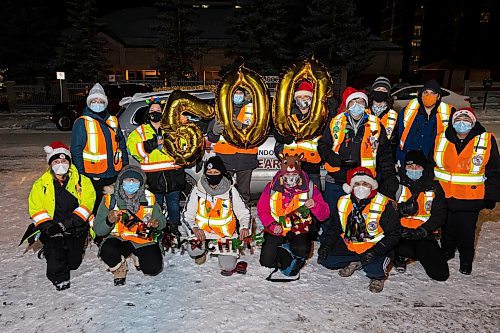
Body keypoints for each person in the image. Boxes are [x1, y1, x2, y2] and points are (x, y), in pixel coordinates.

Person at [317, 87, 398, 229]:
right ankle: (329, 244)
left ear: (366, 105)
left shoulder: (376, 124)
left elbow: (385, 153)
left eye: (360, 101)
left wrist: (389, 175)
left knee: (357, 217)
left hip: (363, 181)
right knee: (333, 214)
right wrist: (329, 157)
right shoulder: (335, 121)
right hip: (337, 177)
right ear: (347, 105)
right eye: (353, 102)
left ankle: (354, 244)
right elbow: (323, 144)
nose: (357, 105)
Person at [433, 108, 499, 275]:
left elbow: (494, 170)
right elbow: (431, 164)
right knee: (447, 228)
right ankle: (447, 251)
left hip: (471, 197)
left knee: (466, 231)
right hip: (445, 195)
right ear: (452, 122)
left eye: (466, 119)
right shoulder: (442, 138)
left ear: (473, 122)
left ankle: (466, 261)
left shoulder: (485, 140)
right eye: (458, 119)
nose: (462, 123)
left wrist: (491, 196)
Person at [317, 167, 401, 292]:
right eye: (357, 183)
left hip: (375, 247)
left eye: (365, 183)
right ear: (350, 186)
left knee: (374, 270)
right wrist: (326, 245)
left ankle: (378, 276)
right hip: (351, 243)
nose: (361, 187)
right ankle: (357, 260)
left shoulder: (384, 204)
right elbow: (335, 227)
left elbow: (394, 235)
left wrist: (374, 252)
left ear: (372, 185)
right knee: (326, 259)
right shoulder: (343, 201)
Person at [28, 142, 96, 290]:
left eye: (64, 161)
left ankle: (69, 248)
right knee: (56, 252)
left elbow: (86, 206)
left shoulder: (82, 182)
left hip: (75, 226)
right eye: (56, 161)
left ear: (69, 163)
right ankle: (59, 278)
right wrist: (50, 227)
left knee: (73, 264)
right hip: (52, 228)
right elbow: (36, 209)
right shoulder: (41, 184)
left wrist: (68, 224)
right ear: (50, 164)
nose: (60, 164)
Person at [257, 153, 329, 280]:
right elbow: (262, 210)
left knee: (301, 249)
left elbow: (324, 216)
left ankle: (294, 251)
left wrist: (315, 205)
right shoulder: (272, 187)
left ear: (299, 174)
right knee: (267, 262)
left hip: (298, 228)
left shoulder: (310, 188)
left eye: (294, 175)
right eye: (287, 175)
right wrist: (272, 225)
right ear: (282, 174)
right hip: (277, 228)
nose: (291, 179)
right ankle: (282, 248)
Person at [93, 165, 167, 285]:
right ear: (121, 182)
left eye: (135, 180)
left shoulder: (149, 197)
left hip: (142, 238)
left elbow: (162, 221)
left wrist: (157, 223)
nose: (131, 183)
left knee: (153, 268)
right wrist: (108, 221)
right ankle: (119, 267)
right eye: (128, 180)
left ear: (141, 184)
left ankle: (136, 254)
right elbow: (98, 230)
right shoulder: (110, 199)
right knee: (107, 250)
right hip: (119, 239)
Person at [181, 156, 251, 275]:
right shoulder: (198, 189)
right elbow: (187, 215)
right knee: (194, 250)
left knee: (228, 267)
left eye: (216, 172)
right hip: (202, 232)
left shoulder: (230, 190)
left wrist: (244, 227)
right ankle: (202, 250)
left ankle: (222, 253)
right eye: (209, 172)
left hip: (225, 234)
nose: (212, 175)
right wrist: (194, 229)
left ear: (222, 173)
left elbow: (244, 212)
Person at [126, 98, 185, 235]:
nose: (155, 113)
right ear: (148, 113)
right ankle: (159, 227)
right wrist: (154, 143)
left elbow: (183, 146)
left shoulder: (173, 127)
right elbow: (136, 151)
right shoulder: (140, 131)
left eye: (158, 111)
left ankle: (174, 227)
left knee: (174, 204)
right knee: (155, 205)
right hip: (153, 176)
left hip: (173, 172)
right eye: (152, 111)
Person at [71, 83, 129, 216]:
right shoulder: (82, 122)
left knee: (113, 205)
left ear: (105, 103)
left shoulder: (113, 120)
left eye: (100, 101)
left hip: (114, 172)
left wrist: (125, 165)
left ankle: (110, 232)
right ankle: (96, 233)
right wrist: (81, 174)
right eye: (94, 101)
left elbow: (122, 145)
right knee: (95, 206)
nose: (97, 103)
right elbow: (76, 150)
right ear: (89, 103)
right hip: (93, 175)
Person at [393, 150, 449, 281]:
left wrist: (422, 231)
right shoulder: (395, 184)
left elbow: (440, 215)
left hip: (424, 234)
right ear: (404, 167)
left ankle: (415, 253)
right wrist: (401, 210)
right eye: (410, 166)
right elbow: (383, 210)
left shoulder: (433, 186)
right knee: (395, 246)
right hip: (400, 233)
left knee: (440, 275)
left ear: (424, 168)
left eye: (418, 167)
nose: (414, 169)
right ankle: (400, 255)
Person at [207, 87, 257, 205]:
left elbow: (258, 133)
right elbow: (211, 138)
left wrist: (242, 127)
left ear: (245, 95)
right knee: (223, 191)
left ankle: (243, 217)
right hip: (225, 159)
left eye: (240, 93)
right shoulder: (221, 110)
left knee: (244, 193)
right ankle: (226, 216)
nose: (238, 95)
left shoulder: (254, 110)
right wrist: (214, 131)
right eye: (235, 93)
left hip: (245, 159)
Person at [274, 80, 323, 189]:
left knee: (313, 200)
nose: (303, 100)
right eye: (300, 97)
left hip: (312, 168)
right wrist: (283, 138)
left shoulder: (319, 118)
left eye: (306, 97)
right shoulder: (287, 118)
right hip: (290, 168)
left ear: (312, 99)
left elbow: (325, 141)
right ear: (295, 99)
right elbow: (278, 137)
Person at [397, 79, 455, 166]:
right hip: (410, 161)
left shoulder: (448, 113)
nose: (428, 96)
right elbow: (400, 135)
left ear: (438, 96)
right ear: (421, 95)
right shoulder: (408, 111)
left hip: (434, 162)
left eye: (433, 93)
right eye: (425, 93)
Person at [368, 76, 398, 158]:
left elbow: (396, 140)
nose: (380, 92)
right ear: (373, 91)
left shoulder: (393, 115)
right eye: (378, 89)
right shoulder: (364, 112)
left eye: (384, 90)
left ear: (388, 94)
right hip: (365, 155)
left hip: (384, 157)